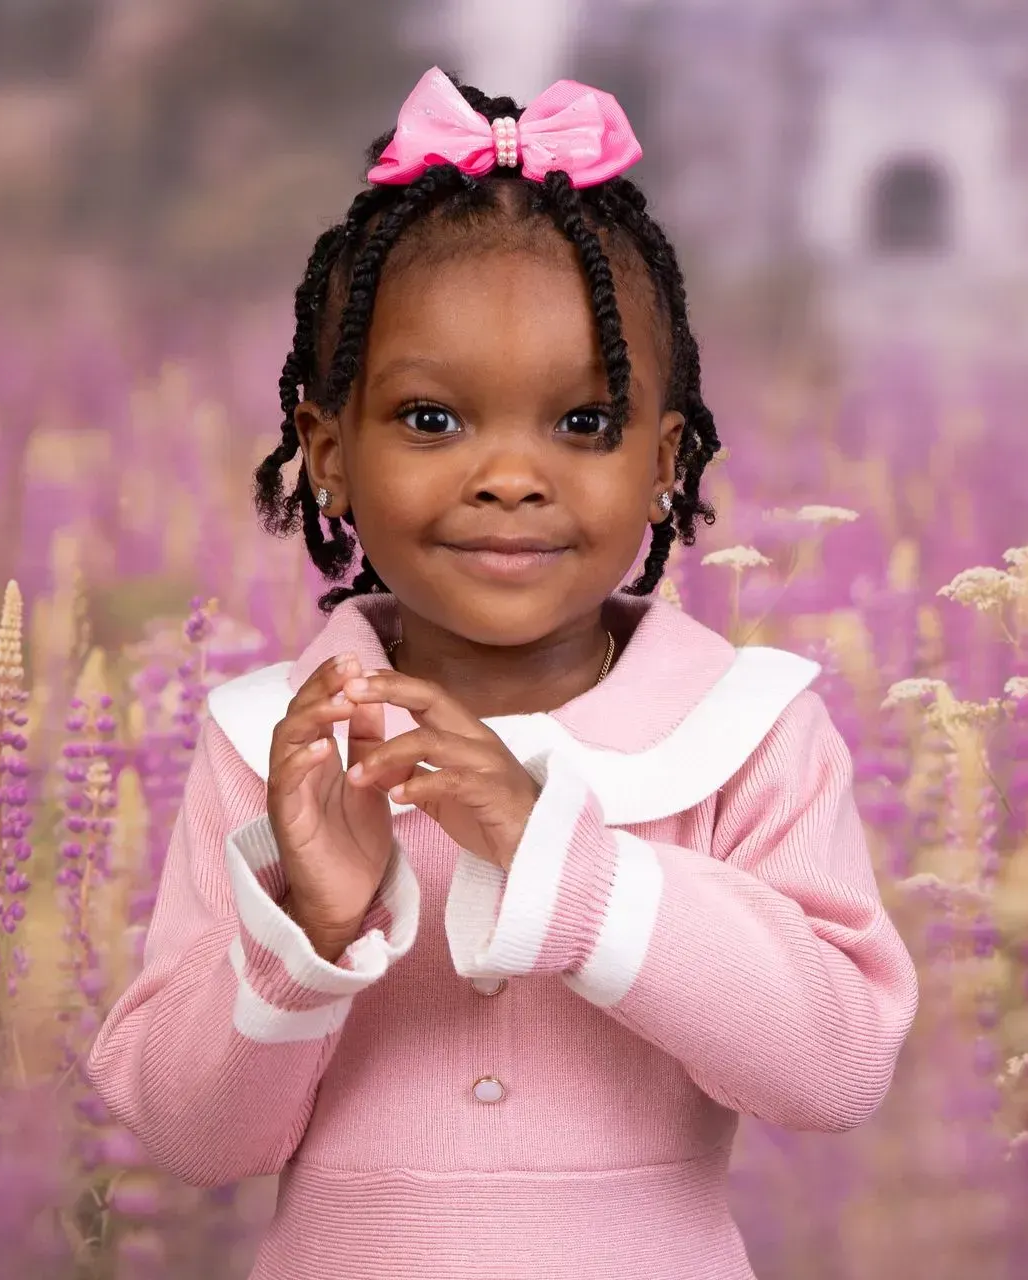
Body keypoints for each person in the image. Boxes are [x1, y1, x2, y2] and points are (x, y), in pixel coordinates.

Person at [86, 66, 918, 1279]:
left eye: (583, 424)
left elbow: (836, 1065)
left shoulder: (746, 728)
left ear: (663, 461)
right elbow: (194, 1134)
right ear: (326, 451)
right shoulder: (277, 739)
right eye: (433, 419)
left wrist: (562, 866)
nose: (511, 476)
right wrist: (313, 921)